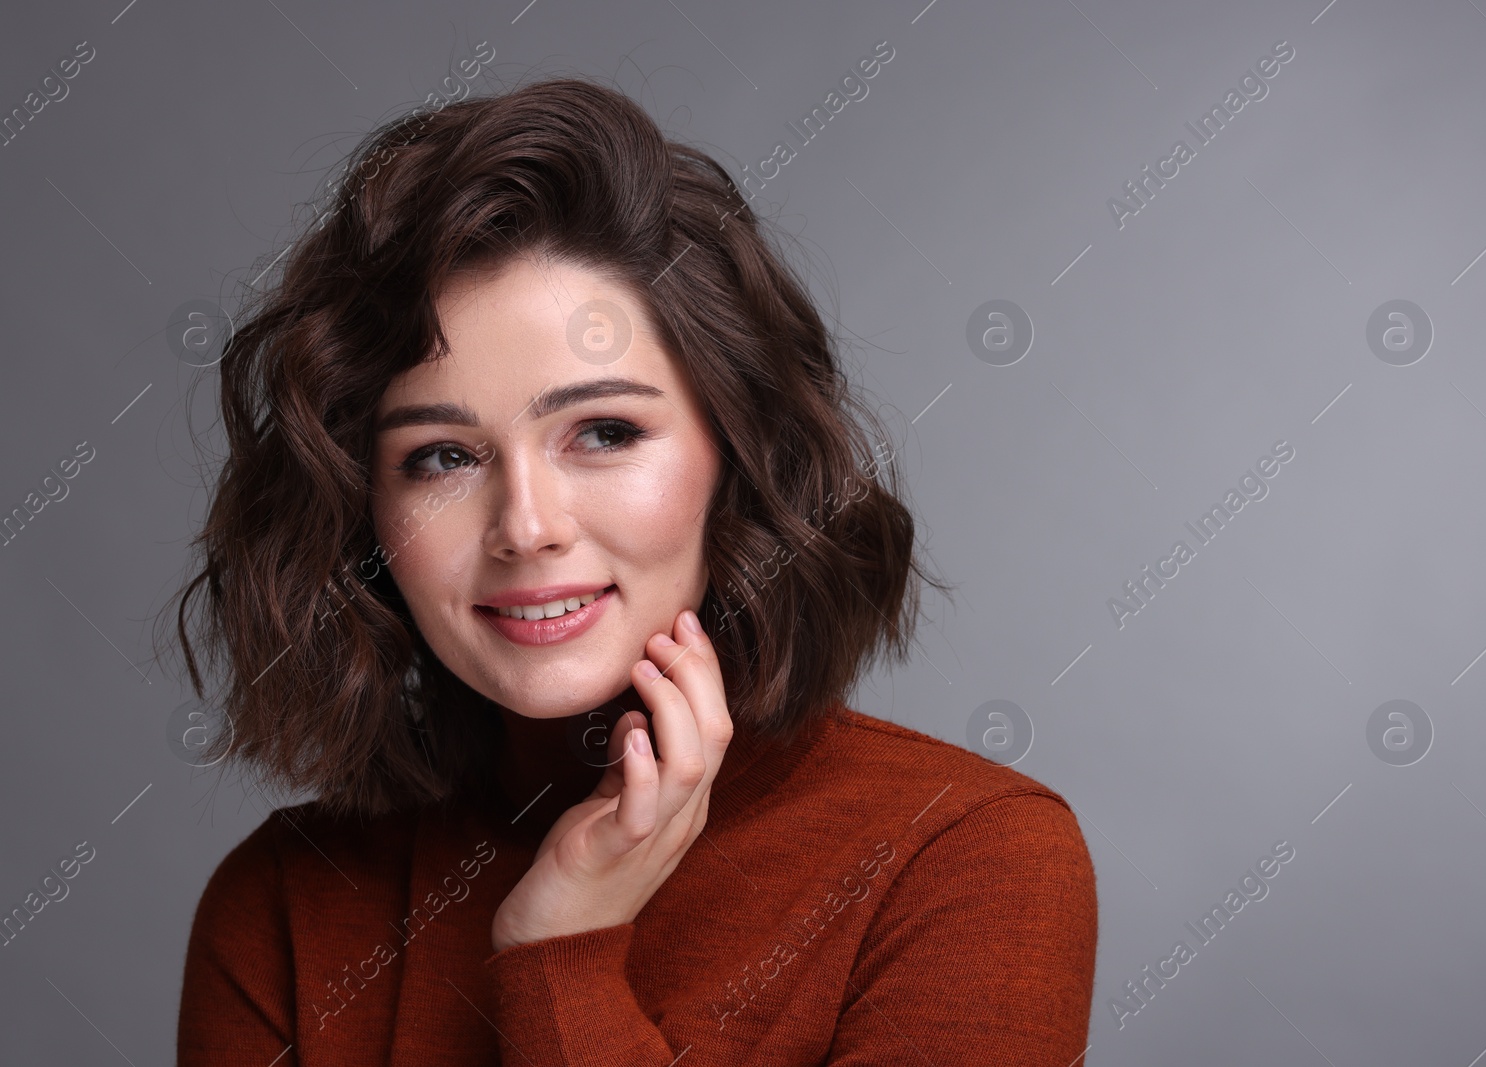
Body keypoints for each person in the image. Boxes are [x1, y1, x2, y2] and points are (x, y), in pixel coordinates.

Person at [160, 75, 1096, 1066]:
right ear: (363, 509)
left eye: (603, 432)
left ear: (734, 456)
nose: (525, 525)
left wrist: (561, 955)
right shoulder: (283, 906)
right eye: (442, 454)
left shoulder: (966, 858)